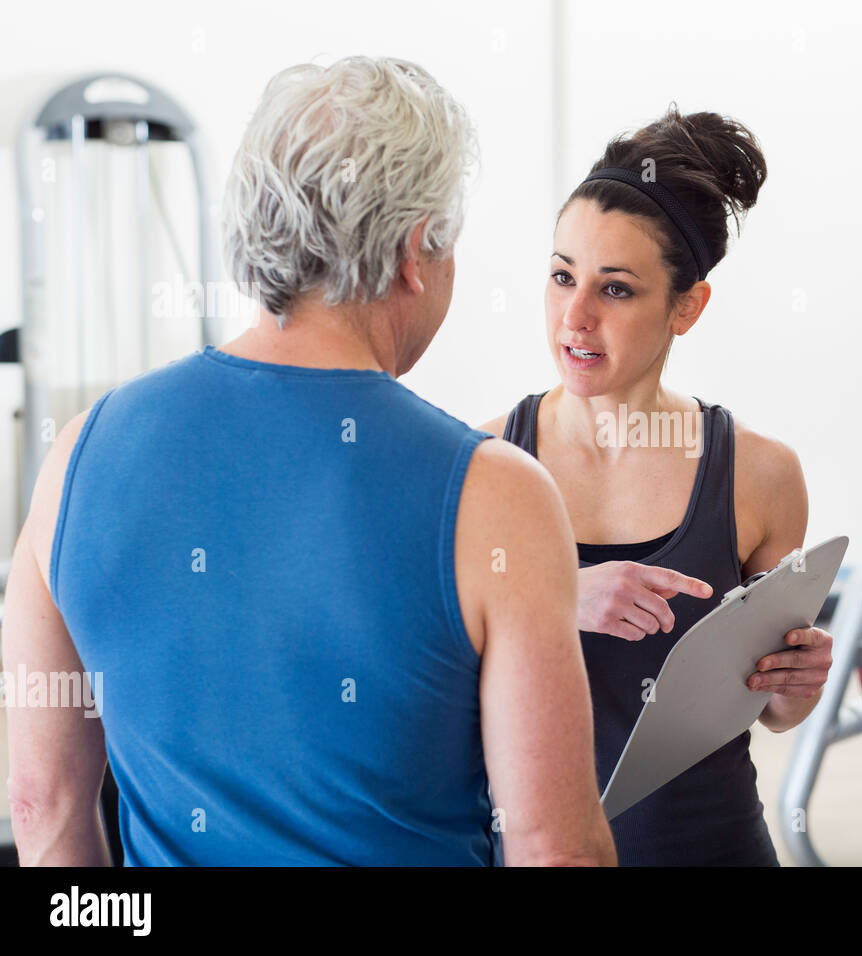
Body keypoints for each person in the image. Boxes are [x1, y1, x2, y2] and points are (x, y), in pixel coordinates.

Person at [3, 56, 614, 867]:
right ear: (413, 253)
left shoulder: (76, 457)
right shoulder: (496, 495)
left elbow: (42, 807)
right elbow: (556, 852)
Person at [481, 107, 833, 866]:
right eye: (561, 276)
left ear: (687, 307)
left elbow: (775, 712)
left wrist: (796, 680)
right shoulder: (480, 462)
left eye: (615, 291)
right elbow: (421, 660)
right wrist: (555, 596)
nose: (574, 318)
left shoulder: (761, 477)